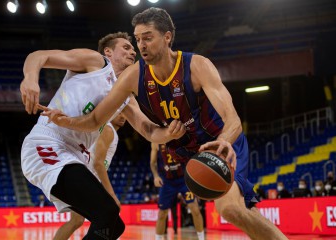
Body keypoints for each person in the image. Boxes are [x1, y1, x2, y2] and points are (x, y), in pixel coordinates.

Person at [39, 8, 288, 240]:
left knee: (231, 209)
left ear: (167, 37)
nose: (141, 45)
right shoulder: (133, 76)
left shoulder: (196, 66)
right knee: (240, 212)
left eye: (148, 38)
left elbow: (233, 119)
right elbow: (96, 119)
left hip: (217, 145)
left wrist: (224, 140)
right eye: (138, 39)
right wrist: (67, 120)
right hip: (182, 154)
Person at [20, 31, 185, 240]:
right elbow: (38, 56)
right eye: (126, 47)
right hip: (48, 142)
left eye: (133, 49)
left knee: (114, 225)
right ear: (108, 52)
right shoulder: (96, 62)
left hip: (75, 155)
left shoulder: (124, 94)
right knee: (106, 212)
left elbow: (149, 130)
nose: (132, 51)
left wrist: (169, 133)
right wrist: (30, 79)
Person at [53, 114, 126, 240]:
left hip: (82, 177)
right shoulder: (108, 130)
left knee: (77, 221)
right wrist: (111, 195)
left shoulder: (108, 129)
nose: (122, 116)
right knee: (110, 220)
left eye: (124, 113)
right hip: (86, 178)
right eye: (119, 112)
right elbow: (98, 164)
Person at [150, 143, 204, 240]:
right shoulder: (155, 141)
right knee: (162, 214)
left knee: (195, 209)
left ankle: (202, 238)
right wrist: (155, 176)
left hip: (184, 180)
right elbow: (153, 162)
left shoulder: (179, 135)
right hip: (167, 182)